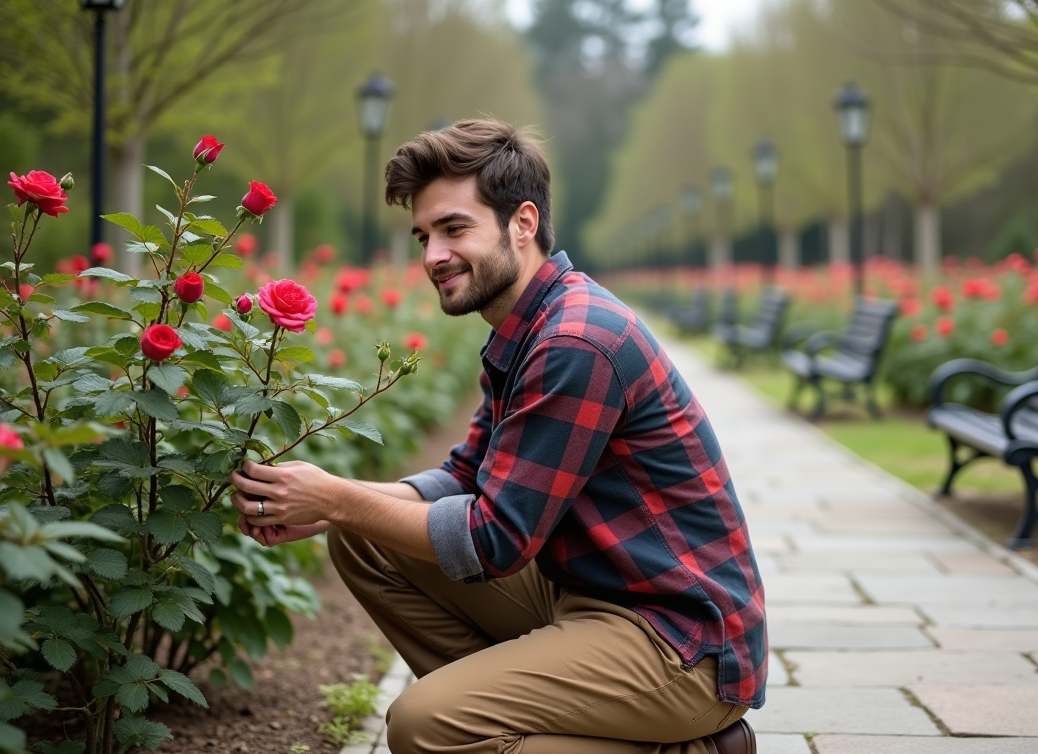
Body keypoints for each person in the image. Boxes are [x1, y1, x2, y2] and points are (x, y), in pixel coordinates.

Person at [230, 119, 766, 754]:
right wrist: (332, 507)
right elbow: (464, 477)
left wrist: (339, 499)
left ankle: (689, 747)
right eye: (424, 236)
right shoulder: (530, 323)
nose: (433, 255)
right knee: (366, 542)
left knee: (421, 726)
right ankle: (529, 718)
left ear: (523, 223)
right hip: (592, 595)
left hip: (679, 640)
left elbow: (494, 540)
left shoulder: (574, 342)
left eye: (455, 229)